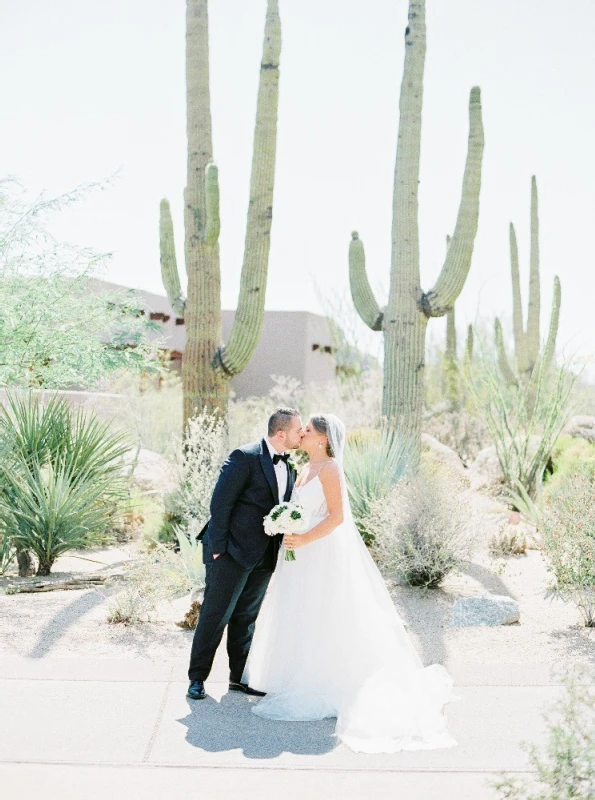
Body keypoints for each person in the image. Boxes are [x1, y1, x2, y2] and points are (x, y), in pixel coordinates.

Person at [242, 414, 457, 754]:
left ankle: (325, 681)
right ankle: (296, 677)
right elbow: (302, 509)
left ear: (323, 439)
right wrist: (287, 528)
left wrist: (305, 538)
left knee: (323, 612)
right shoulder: (304, 470)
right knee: (300, 613)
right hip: (299, 554)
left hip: (320, 552)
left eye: (308, 430)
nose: (302, 433)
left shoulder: (329, 470)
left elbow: (337, 517)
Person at [187, 407, 304, 701]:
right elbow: (220, 504)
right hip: (230, 552)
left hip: (264, 555)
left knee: (246, 617)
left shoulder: (290, 467)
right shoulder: (245, 457)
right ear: (281, 433)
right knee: (215, 615)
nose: (301, 435)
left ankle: (238, 678)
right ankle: (197, 679)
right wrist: (217, 551)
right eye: (297, 430)